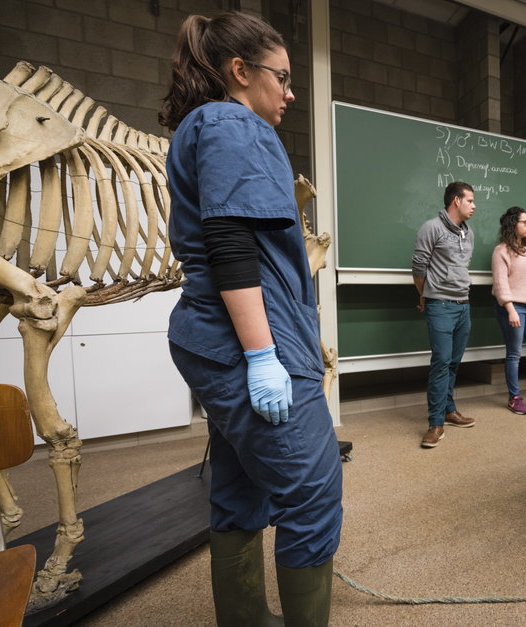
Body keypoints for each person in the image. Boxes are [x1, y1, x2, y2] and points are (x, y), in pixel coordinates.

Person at [159, 12, 341, 626]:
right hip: (249, 342)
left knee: (241, 484)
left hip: (215, 337)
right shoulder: (233, 123)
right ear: (241, 70)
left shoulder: (204, 126)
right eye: (281, 77)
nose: (289, 93)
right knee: (312, 493)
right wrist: (263, 357)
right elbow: (231, 244)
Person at [412, 181, 477, 448]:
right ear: (456, 201)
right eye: (470, 200)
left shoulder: (468, 233)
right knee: (441, 363)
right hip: (440, 304)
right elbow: (419, 266)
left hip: (464, 305)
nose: (474, 206)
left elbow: (463, 266)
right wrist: (425, 294)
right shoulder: (432, 228)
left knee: (453, 363)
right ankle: (435, 423)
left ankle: (449, 410)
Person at [491, 207, 526, 414]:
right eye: (524, 222)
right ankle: (514, 398)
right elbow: (500, 283)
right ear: (513, 224)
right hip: (512, 308)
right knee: (514, 353)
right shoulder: (501, 251)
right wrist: (510, 309)